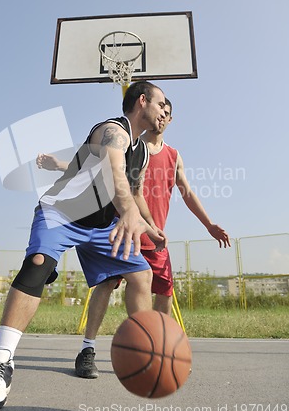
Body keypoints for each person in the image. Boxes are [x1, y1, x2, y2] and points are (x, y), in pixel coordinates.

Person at [0, 81, 169, 410]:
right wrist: (131, 214)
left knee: (141, 275)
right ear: (142, 101)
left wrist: (148, 226)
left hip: (102, 226)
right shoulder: (113, 131)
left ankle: (141, 352)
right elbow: (115, 174)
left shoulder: (143, 150)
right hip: (62, 213)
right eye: (161, 103)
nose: (165, 111)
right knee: (37, 264)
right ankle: (0, 363)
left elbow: (130, 191)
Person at [37, 97, 231, 379]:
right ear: (146, 108)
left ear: (170, 120)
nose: (162, 115)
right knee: (106, 285)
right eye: (159, 109)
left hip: (154, 234)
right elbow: (100, 165)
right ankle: (88, 350)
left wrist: (208, 224)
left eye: (167, 113)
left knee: (163, 294)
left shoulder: (173, 156)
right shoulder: (128, 142)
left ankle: (157, 349)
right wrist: (59, 165)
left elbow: (187, 192)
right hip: (122, 227)